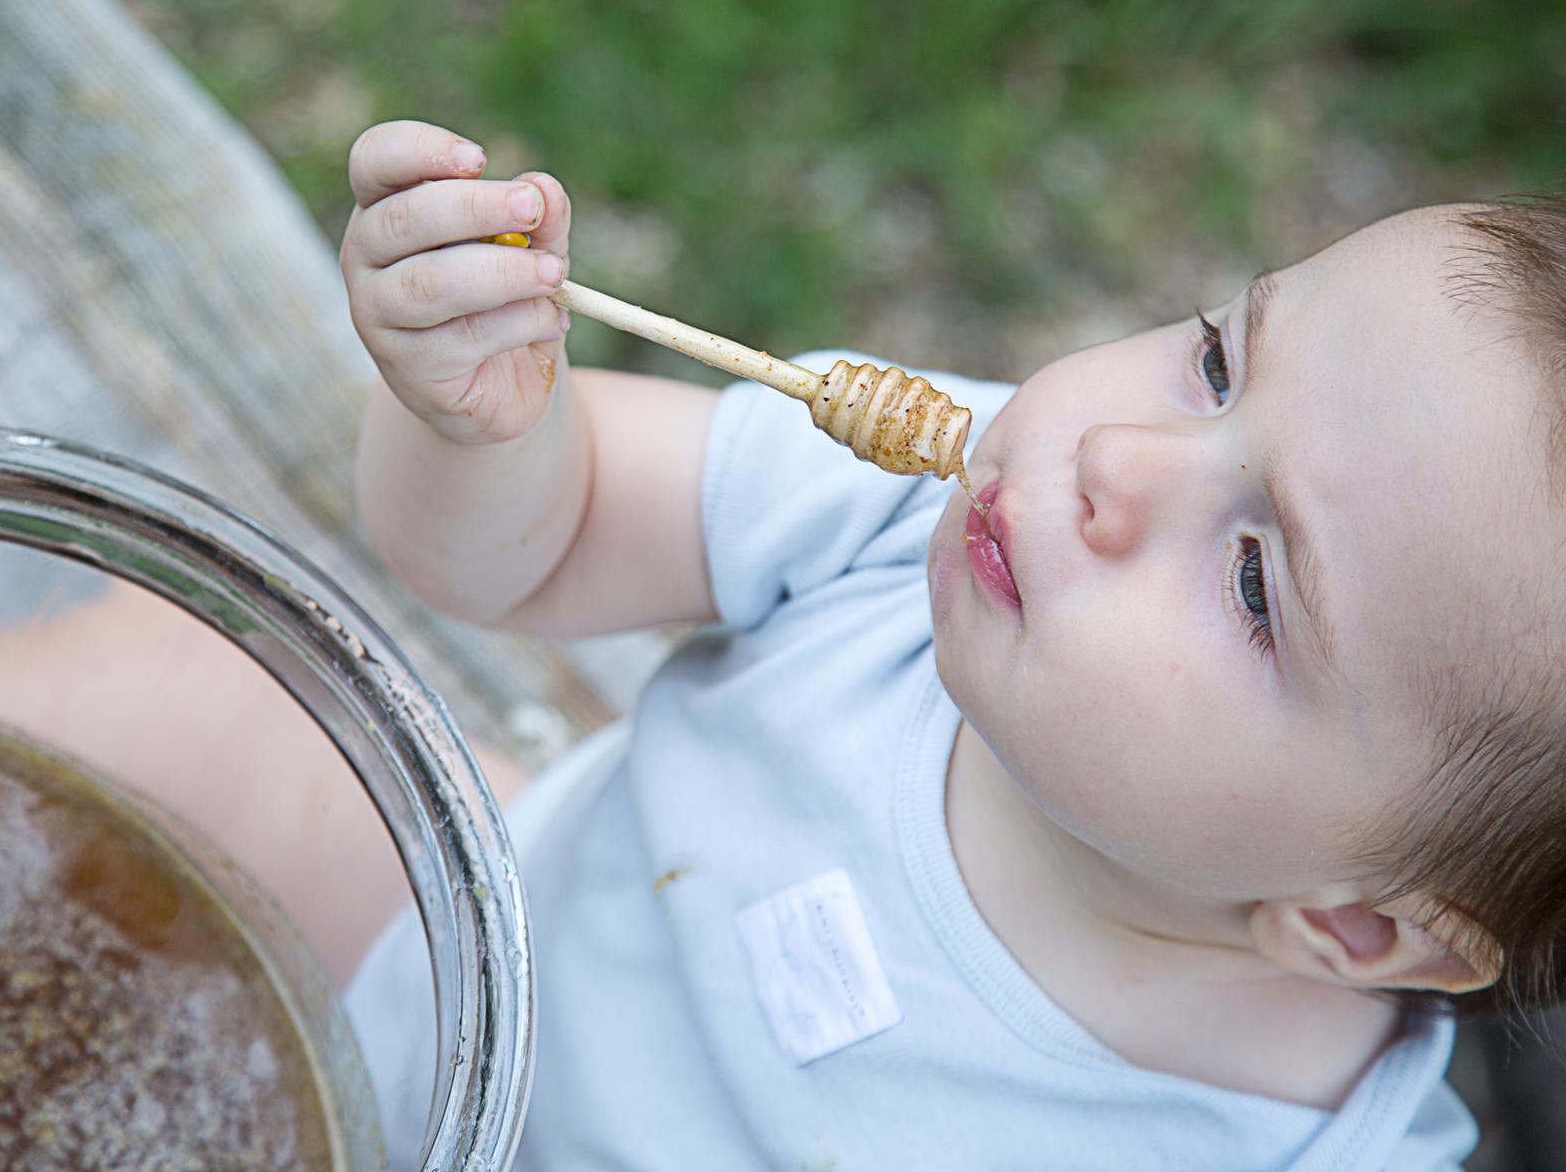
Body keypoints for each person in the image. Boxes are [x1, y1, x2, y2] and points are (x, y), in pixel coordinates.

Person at [336, 118, 1566, 1169]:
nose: (1117, 458)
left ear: (1360, 929)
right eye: (1215, 362)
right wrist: (476, 427)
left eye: (1254, 580)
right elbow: (545, 533)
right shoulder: (938, 499)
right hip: (422, 1018)